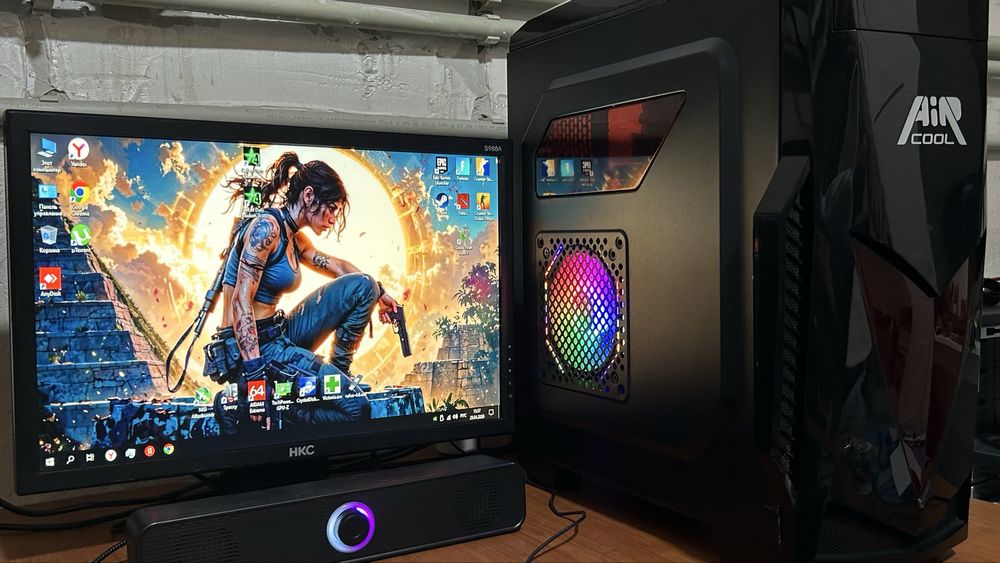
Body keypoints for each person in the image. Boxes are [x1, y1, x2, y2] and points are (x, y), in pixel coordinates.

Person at [210, 151, 400, 433]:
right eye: (331, 208)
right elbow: (240, 302)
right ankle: (239, 402)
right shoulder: (266, 229)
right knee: (356, 409)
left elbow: (338, 267)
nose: (333, 218)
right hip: (251, 350)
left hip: (278, 334)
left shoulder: (295, 239)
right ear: (309, 195)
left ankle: (339, 376)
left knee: (364, 286)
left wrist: (380, 293)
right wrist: (255, 379)